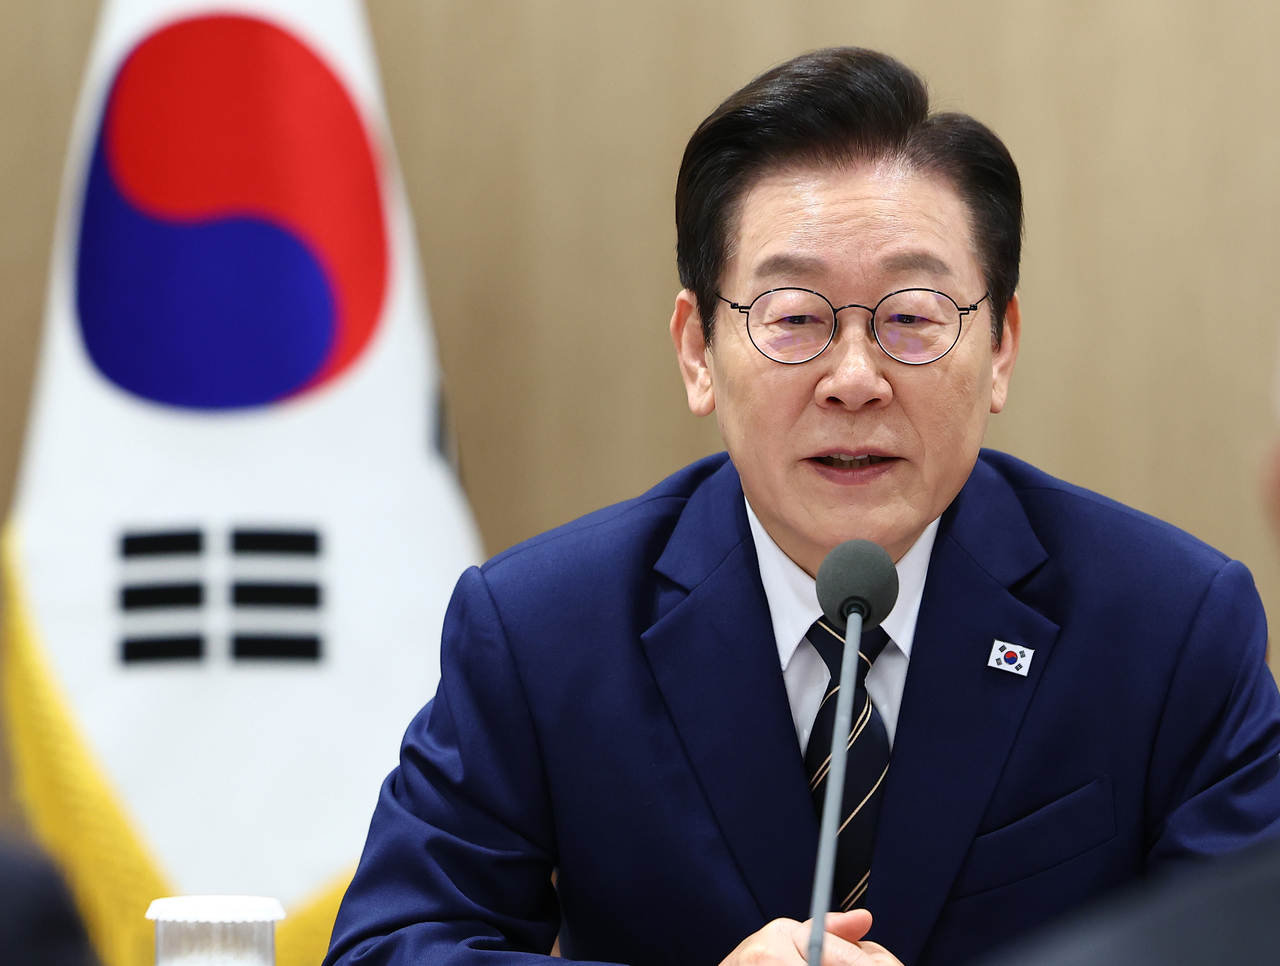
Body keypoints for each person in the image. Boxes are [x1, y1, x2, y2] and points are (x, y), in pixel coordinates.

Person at [323, 48, 1280, 966]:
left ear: (1000, 348)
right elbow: (389, 947)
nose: (854, 378)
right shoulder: (544, 631)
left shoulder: (1168, 628)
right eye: (794, 318)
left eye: (911, 317)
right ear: (697, 350)